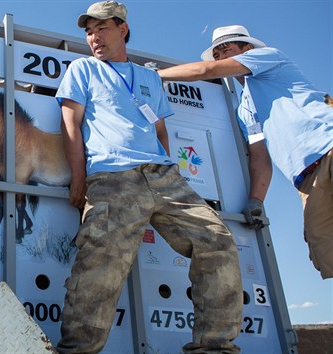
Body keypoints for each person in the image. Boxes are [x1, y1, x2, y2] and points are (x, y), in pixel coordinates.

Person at [55, 2, 243, 353]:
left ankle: (214, 347)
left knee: (217, 241)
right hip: (112, 175)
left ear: (122, 29)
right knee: (100, 262)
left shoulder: (148, 77)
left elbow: (160, 131)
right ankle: (76, 350)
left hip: (163, 176)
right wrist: (78, 178)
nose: (93, 37)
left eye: (101, 28)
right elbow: (71, 125)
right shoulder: (82, 68)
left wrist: (167, 165)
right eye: (89, 30)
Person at [158, 25, 333, 279]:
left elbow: (206, 70)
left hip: (329, 148)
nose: (220, 57)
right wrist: (256, 201)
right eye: (216, 54)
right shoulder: (245, 109)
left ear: (247, 49)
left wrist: (155, 76)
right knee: (324, 247)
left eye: (226, 49)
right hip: (306, 181)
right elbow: (260, 157)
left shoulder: (271, 58)